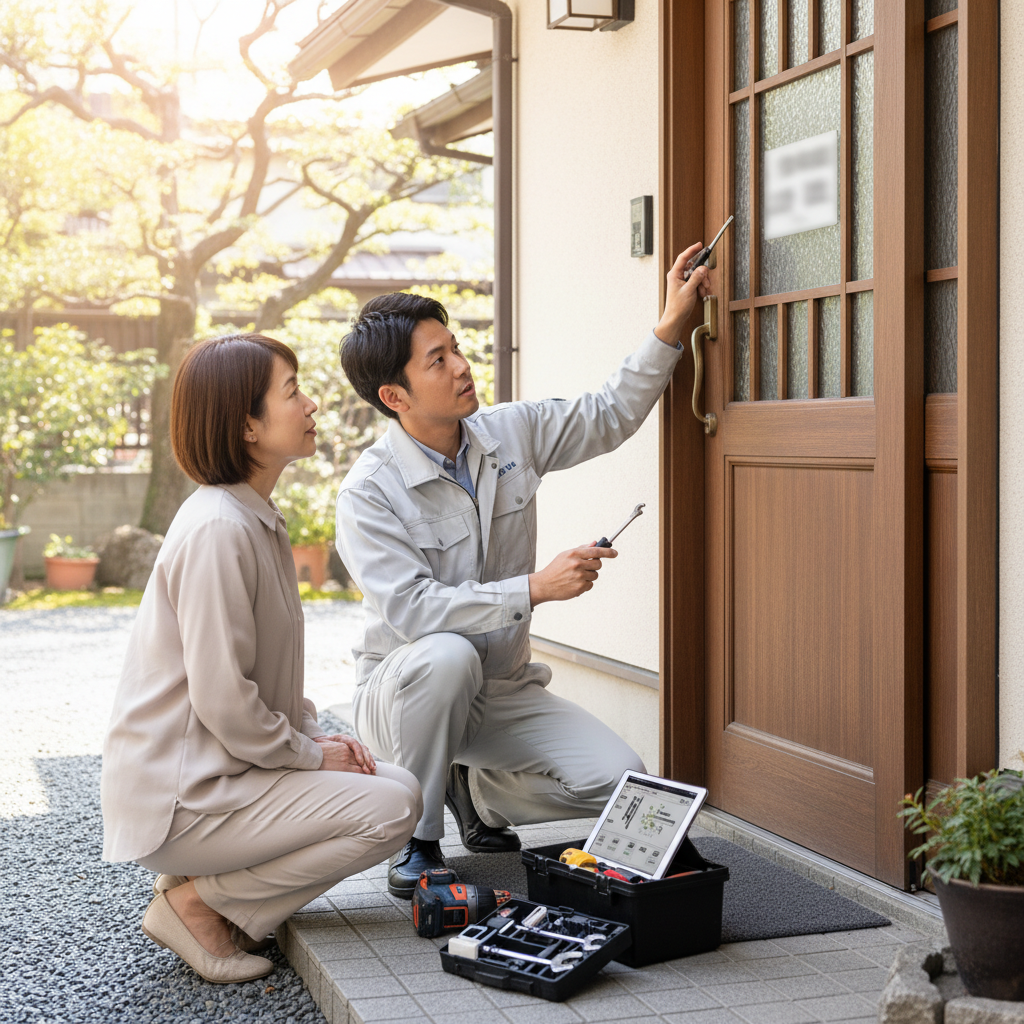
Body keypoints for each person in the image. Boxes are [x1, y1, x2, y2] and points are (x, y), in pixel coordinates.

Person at [335, 244, 712, 898]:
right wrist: (536, 588)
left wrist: (671, 324)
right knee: (445, 655)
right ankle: (418, 841)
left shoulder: (511, 433)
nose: (461, 366)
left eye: (455, 348)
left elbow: (609, 413)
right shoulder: (368, 492)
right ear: (395, 395)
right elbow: (415, 612)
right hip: (403, 697)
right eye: (439, 360)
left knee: (621, 778)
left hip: (497, 689)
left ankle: (478, 790)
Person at [101, 333, 422, 984]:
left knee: (402, 788)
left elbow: (258, 680)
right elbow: (225, 701)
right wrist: (311, 754)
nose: (311, 405)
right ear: (247, 424)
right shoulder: (220, 529)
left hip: (224, 771)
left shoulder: (252, 516)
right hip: (185, 796)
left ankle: (204, 880)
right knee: (390, 811)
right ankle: (200, 903)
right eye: (293, 391)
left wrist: (314, 733)